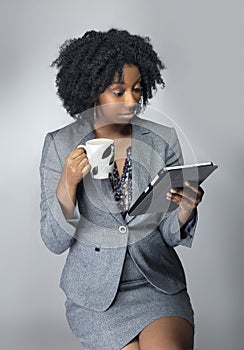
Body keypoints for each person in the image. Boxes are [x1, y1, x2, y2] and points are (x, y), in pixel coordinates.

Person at [40, 28, 204, 350]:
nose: (132, 101)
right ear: (92, 92)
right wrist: (67, 184)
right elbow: (53, 240)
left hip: (156, 285)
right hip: (96, 298)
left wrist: (185, 209)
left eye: (137, 90)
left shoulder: (162, 140)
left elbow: (169, 234)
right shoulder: (60, 145)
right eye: (119, 92)